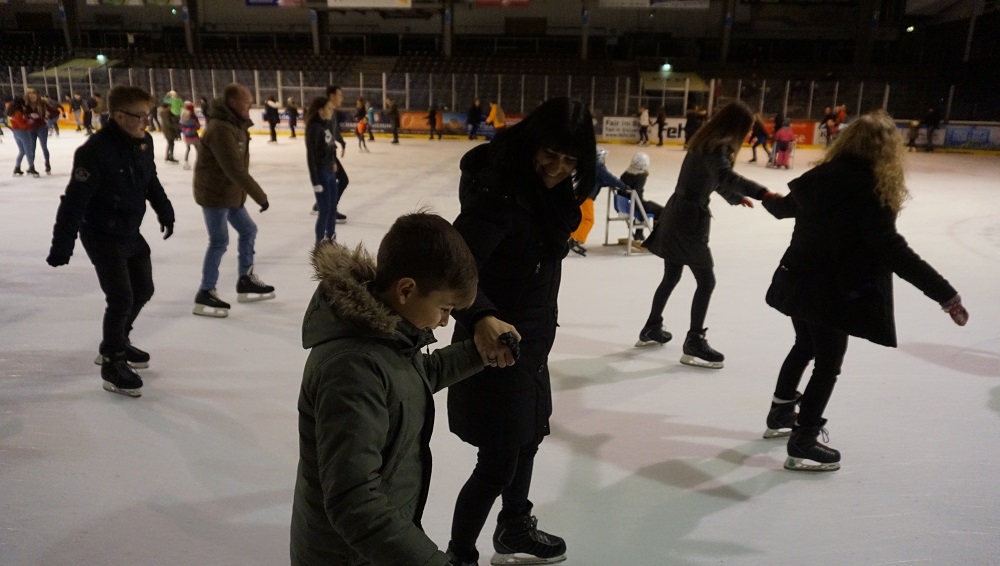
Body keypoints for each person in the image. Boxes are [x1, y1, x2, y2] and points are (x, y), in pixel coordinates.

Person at [759, 110, 968, 472]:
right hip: (831, 292)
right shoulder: (871, 191)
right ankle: (803, 440)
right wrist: (945, 295)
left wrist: (763, 196)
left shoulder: (819, 177)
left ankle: (780, 413)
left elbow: (783, 208)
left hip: (796, 279)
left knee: (804, 345)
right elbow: (894, 251)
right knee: (828, 363)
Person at [445, 97, 596, 566]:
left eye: (569, 159)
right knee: (496, 464)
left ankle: (513, 526)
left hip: (530, 342)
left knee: (528, 439)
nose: (557, 167)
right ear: (532, 143)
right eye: (550, 153)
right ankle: (459, 556)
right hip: (495, 346)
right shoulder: (500, 191)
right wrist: (482, 316)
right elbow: (457, 267)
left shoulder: (550, 195)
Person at [290, 213, 487, 566]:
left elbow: (407, 379)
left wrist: (478, 352)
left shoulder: (386, 335)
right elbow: (354, 502)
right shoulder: (351, 367)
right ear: (406, 289)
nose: (445, 322)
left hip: (377, 545)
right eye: (444, 309)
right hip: (349, 556)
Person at [45, 85, 175, 398]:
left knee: (143, 289)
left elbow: (150, 179)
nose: (146, 121)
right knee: (120, 298)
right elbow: (74, 201)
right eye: (140, 116)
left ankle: (117, 341)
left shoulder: (143, 142)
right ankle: (112, 363)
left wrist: (165, 210)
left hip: (130, 230)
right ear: (118, 115)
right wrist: (62, 245)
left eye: (148, 115)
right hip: (102, 234)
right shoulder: (95, 151)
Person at [636, 101, 778, 366]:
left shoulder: (705, 143)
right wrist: (762, 193)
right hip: (688, 219)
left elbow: (714, 180)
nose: (749, 133)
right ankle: (694, 340)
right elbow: (725, 176)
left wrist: (736, 198)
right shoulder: (718, 147)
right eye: (748, 128)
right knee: (706, 281)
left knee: (671, 276)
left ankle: (652, 327)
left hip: (676, 212)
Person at [192, 83, 273, 318]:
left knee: (248, 230)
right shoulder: (220, 129)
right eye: (247, 103)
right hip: (215, 195)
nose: (250, 107)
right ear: (232, 103)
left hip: (229, 193)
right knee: (219, 241)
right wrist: (260, 196)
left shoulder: (235, 125)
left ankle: (245, 279)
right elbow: (234, 169)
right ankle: (205, 291)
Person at [568, 146, 631, 257]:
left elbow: (600, 180)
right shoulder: (598, 167)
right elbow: (609, 178)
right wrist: (624, 186)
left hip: (577, 194)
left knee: (578, 218)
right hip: (585, 196)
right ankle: (576, 239)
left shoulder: (588, 165)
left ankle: (571, 238)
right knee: (588, 219)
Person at [305, 96, 339, 244]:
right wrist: (315, 181)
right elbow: (311, 156)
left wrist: (333, 161)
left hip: (330, 171)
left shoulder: (326, 125)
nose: (332, 111)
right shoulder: (314, 128)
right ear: (320, 110)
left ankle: (330, 237)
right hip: (321, 174)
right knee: (324, 210)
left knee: (332, 207)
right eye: (329, 108)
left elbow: (330, 146)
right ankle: (319, 242)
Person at [618, 151, 663, 245]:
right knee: (661, 211)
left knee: (645, 206)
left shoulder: (625, 174)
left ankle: (639, 234)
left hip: (624, 204)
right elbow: (637, 195)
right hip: (632, 205)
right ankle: (656, 237)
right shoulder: (641, 176)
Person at [326, 86, 349, 224]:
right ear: (331, 96)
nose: (342, 98)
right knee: (342, 180)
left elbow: (334, 131)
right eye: (339, 95)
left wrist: (342, 142)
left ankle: (320, 205)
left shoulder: (332, 111)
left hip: (329, 152)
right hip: (326, 153)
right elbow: (326, 133)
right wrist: (330, 154)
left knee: (330, 181)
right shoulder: (326, 111)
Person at [8, 95, 42, 177]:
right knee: (28, 151)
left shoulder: (11, 112)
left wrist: (27, 118)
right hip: (22, 132)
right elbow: (22, 125)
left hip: (16, 133)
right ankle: (32, 168)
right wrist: (30, 121)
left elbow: (20, 121)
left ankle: (17, 168)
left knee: (22, 151)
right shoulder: (18, 113)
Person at [179, 100, 201, 170]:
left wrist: (185, 131)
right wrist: (193, 128)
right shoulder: (193, 117)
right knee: (198, 149)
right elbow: (198, 126)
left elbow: (181, 126)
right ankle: (200, 162)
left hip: (187, 136)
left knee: (188, 149)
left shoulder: (183, 116)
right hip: (194, 135)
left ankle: (186, 163)